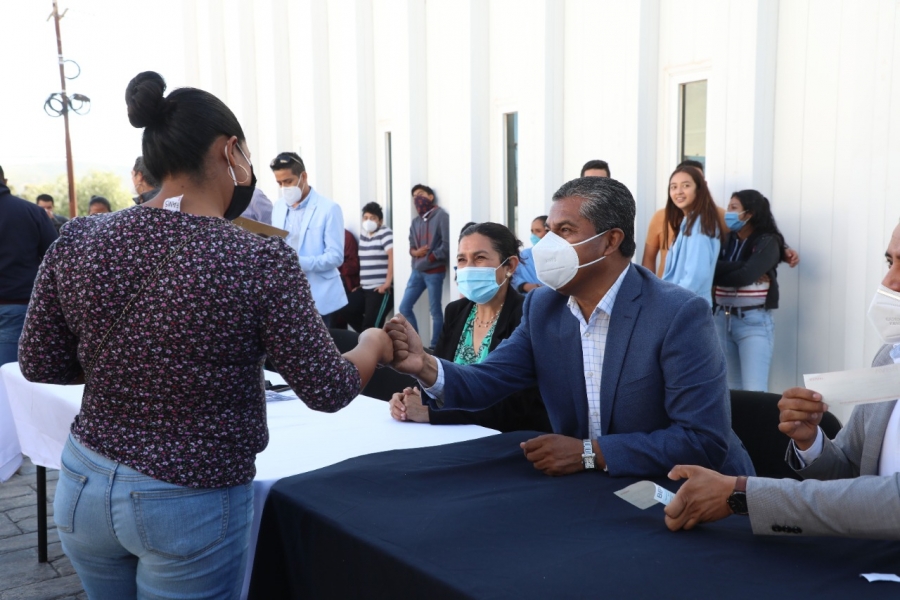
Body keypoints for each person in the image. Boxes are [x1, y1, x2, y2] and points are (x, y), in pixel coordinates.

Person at [17, 71, 393, 598]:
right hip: (188, 498)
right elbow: (328, 389)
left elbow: (39, 362)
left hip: (84, 480)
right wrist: (373, 342)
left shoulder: (80, 236)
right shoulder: (258, 258)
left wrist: (129, 367)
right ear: (229, 150)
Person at [386, 177, 753, 478]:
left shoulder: (678, 313)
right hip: (596, 490)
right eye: (548, 232)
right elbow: (489, 379)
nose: (548, 246)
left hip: (692, 492)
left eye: (565, 231)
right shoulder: (543, 307)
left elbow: (701, 440)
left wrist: (589, 454)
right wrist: (425, 364)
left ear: (610, 241)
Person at [664, 219, 900, 539]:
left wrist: (742, 494)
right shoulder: (890, 354)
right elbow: (850, 474)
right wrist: (810, 442)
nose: (889, 281)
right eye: (889, 262)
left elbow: (891, 502)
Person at [390, 222, 551, 433]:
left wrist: (433, 413)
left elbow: (520, 405)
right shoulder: (455, 312)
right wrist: (410, 399)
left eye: (480, 258)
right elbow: (438, 375)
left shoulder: (526, 316)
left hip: (504, 439)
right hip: (447, 436)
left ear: (510, 266)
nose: (468, 268)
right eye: (462, 259)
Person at [642, 160, 799, 276]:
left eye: (688, 184)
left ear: (702, 185)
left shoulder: (719, 216)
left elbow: (752, 236)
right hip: (666, 294)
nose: (680, 190)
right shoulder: (660, 217)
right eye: (676, 185)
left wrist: (781, 251)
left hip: (703, 297)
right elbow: (648, 259)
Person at [713, 190, 787, 391]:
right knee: (730, 392)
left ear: (749, 213)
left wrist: (724, 271)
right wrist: (743, 265)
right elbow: (709, 269)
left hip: (753, 322)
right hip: (721, 320)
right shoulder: (725, 239)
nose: (728, 212)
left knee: (754, 391)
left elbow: (744, 276)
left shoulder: (768, 241)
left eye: (733, 208)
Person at [270, 152, 347, 326]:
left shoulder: (329, 208)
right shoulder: (278, 207)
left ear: (303, 177)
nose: (284, 188)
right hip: (287, 297)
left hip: (320, 298)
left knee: (322, 343)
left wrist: (298, 262)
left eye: (288, 181)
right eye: (279, 183)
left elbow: (336, 256)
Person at [0, 164, 58, 365]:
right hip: (19, 308)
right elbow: (56, 260)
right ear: (4, 181)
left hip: (16, 309)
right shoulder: (32, 212)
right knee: (11, 376)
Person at [397, 184, 450, 350]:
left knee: (435, 311)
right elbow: (411, 246)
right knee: (404, 307)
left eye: (420, 194)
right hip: (417, 271)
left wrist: (430, 257)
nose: (417, 199)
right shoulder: (415, 222)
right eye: (414, 196)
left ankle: (435, 347)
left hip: (434, 272)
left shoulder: (441, 216)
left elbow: (446, 245)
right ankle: (417, 345)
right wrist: (415, 252)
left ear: (430, 196)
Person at [661, 166, 722, 305]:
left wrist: (669, 301)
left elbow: (696, 277)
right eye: (673, 187)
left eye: (686, 186)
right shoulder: (688, 221)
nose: (678, 191)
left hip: (687, 306)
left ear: (699, 190)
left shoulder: (699, 224)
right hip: (683, 303)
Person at [347, 202, 394, 331]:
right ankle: (368, 336)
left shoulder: (385, 233)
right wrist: (362, 283)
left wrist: (387, 283)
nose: (368, 221)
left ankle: (370, 338)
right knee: (345, 309)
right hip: (365, 288)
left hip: (379, 290)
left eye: (373, 218)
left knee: (371, 326)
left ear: (380, 221)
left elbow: (392, 255)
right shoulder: (364, 234)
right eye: (366, 217)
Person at [332, 230, 361, 330]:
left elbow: (354, 265)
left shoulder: (345, 236)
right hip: (325, 286)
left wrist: (334, 265)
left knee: (339, 317)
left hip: (343, 283)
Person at [511, 215, 548, 294]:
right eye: (532, 231)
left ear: (549, 232)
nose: (533, 236)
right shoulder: (525, 255)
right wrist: (525, 286)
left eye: (538, 231)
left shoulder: (561, 255)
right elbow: (511, 275)